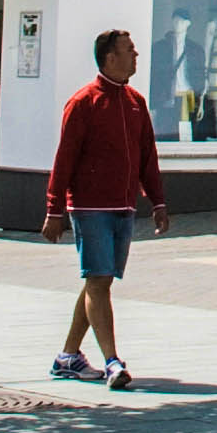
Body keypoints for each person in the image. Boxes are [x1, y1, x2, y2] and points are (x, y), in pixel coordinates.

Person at [42, 26, 170, 390]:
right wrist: (54, 209)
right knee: (98, 280)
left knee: (100, 280)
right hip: (89, 206)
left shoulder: (135, 101)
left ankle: (68, 355)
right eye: (129, 50)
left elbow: (148, 156)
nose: (136, 55)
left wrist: (157, 201)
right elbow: (64, 158)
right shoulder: (83, 101)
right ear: (109, 57)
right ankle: (113, 362)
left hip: (123, 206)